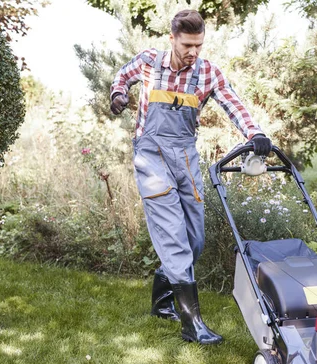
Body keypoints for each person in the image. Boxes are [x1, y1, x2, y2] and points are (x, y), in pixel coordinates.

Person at [110, 9, 271, 345]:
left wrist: (254, 133)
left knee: (193, 239)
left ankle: (160, 301)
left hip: (185, 157)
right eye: (187, 45)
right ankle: (191, 324)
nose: (193, 52)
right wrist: (118, 95)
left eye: (198, 45)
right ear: (172, 39)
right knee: (172, 234)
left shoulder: (207, 72)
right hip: (151, 157)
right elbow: (122, 76)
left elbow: (232, 103)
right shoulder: (149, 62)